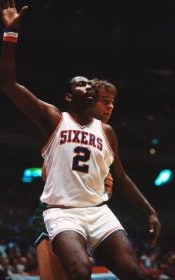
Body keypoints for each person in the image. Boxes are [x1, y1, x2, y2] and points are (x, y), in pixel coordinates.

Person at [0, 1, 161, 279]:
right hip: (62, 212)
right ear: (68, 96)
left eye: (90, 84)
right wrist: (10, 35)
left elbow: (120, 177)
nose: (89, 87)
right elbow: (8, 84)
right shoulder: (54, 119)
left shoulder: (106, 132)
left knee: (134, 271)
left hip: (98, 211)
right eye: (81, 84)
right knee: (80, 269)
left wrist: (150, 211)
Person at [32, 79, 117, 280]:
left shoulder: (104, 134)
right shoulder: (65, 125)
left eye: (112, 102)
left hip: (88, 215)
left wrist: (105, 186)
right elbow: (46, 174)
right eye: (104, 101)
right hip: (56, 212)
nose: (110, 106)